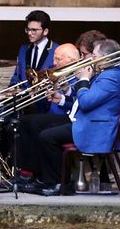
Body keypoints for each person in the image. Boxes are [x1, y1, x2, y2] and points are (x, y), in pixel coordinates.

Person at [28, 38, 120, 196]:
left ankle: (60, 184)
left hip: (95, 129)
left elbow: (86, 102)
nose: (90, 59)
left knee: (47, 137)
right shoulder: (108, 74)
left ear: (107, 58)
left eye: (94, 55)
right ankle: (49, 180)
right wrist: (62, 98)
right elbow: (87, 101)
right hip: (90, 122)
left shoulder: (110, 77)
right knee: (41, 128)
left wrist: (83, 79)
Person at [16, 42, 80, 183]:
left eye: (58, 59)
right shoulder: (55, 71)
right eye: (54, 58)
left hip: (71, 118)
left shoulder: (80, 74)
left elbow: (80, 100)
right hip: (59, 114)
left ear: (71, 60)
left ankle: (43, 176)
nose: (53, 62)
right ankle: (28, 172)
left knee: (36, 125)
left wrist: (64, 92)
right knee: (26, 121)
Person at [9, 10, 54, 113]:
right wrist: (12, 89)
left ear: (45, 31)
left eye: (34, 30)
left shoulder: (56, 50)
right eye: (28, 29)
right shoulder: (23, 49)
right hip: (24, 107)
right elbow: (17, 76)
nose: (29, 33)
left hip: (47, 109)